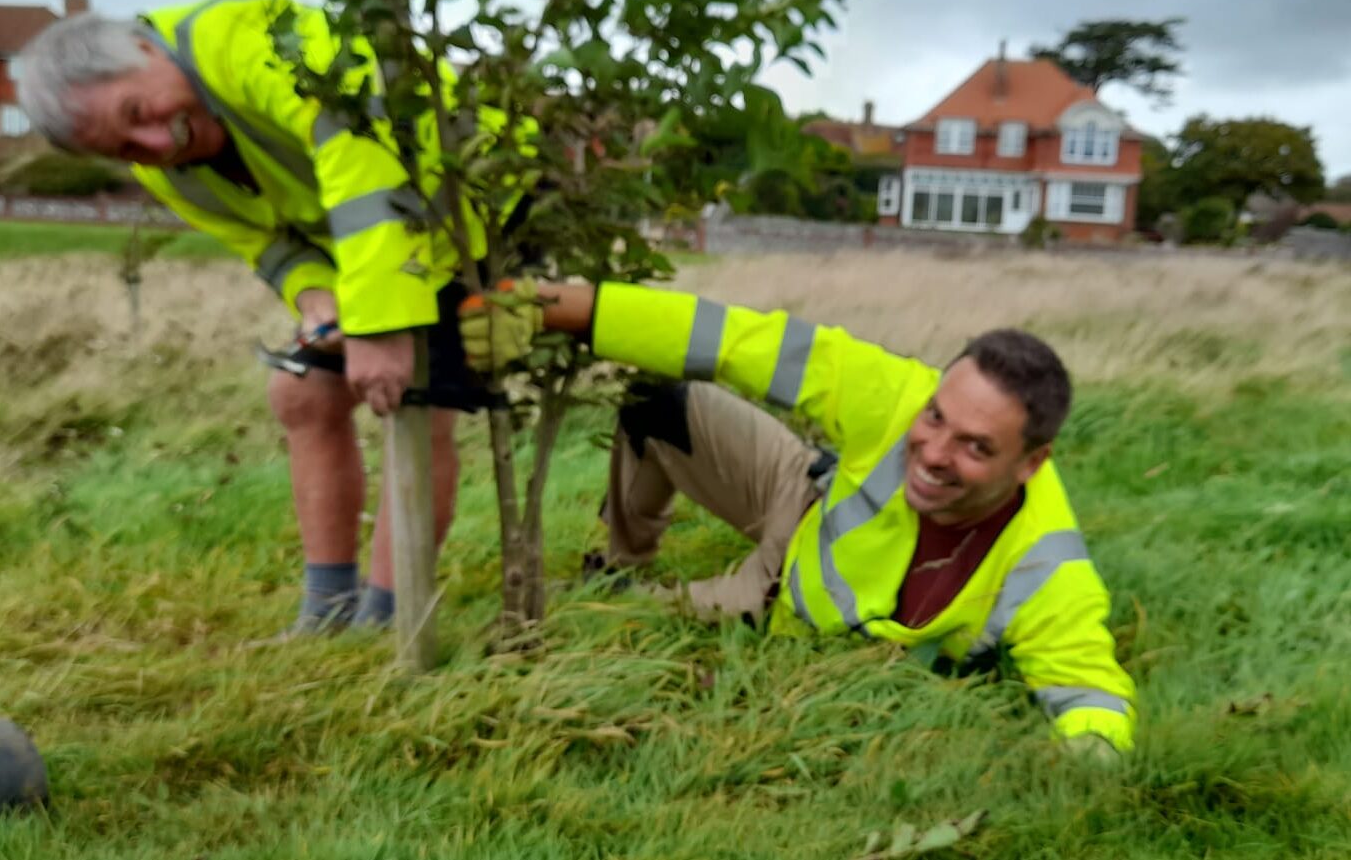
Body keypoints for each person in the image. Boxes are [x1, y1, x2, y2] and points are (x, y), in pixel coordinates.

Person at [460, 280, 1137, 754]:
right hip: (801, 491)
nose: (933, 450)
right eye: (936, 416)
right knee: (655, 397)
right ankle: (618, 557)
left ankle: (630, 593)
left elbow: (1089, 689)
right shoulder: (892, 392)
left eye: (976, 446)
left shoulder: (1046, 565)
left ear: (1031, 462)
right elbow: (736, 340)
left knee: (633, 619)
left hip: (780, 596)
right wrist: (547, 304)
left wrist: (1090, 762)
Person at [16, 0, 500, 633]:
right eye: (127, 147)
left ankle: (388, 616)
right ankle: (327, 610)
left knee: (413, 401)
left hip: (466, 211)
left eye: (138, 112)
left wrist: (380, 327)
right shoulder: (165, 166)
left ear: (141, 49)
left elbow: (359, 155)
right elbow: (266, 244)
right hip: (372, 248)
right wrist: (317, 299)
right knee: (301, 395)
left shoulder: (252, 39)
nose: (157, 143)